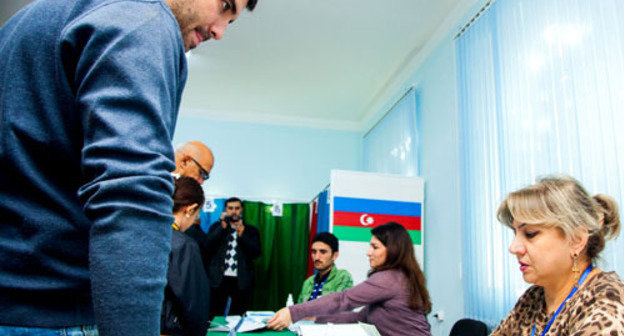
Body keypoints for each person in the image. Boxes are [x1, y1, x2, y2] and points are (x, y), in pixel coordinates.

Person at [0, 0, 257, 334]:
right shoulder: (144, 19)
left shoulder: (28, 22)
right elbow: (130, 199)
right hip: (54, 313)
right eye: (225, 5)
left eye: (231, 21)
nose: (219, 31)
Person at [491, 175, 624, 335]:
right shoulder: (533, 299)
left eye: (530, 234)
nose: (513, 248)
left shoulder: (607, 303)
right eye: (515, 233)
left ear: (576, 240)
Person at [267, 222, 432, 336]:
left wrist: (293, 312)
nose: (368, 252)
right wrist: (317, 318)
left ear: (393, 250)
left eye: (375, 247)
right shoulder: (400, 277)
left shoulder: (389, 279)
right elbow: (359, 317)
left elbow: (343, 299)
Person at [161, 177, 210, 336]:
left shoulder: (147, 235)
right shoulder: (183, 245)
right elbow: (193, 303)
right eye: (197, 214)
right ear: (190, 209)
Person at [205, 197, 261, 317]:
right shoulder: (217, 227)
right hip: (219, 279)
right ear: (225, 209)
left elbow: (256, 252)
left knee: (238, 314)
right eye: (230, 208)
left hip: (241, 280)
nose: (233, 211)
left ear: (241, 210)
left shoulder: (250, 230)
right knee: (214, 313)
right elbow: (207, 246)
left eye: (237, 208)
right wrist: (222, 227)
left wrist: (243, 235)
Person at [298, 232, 353, 303]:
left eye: (323, 252)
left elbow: (340, 307)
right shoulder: (308, 282)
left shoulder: (342, 277)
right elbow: (298, 309)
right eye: (314, 252)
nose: (317, 257)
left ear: (334, 255)